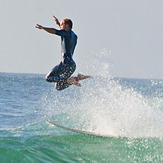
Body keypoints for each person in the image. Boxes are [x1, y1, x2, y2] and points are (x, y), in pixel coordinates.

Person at [36, 16, 90, 91]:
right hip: (72, 65)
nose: (60, 26)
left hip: (65, 64)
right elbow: (64, 32)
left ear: (67, 25)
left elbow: (55, 31)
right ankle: (77, 78)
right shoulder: (74, 36)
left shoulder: (65, 33)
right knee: (59, 87)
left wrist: (43, 28)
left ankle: (69, 80)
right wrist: (59, 24)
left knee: (48, 78)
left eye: (61, 24)